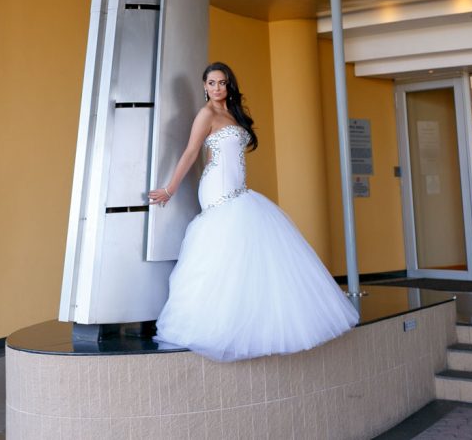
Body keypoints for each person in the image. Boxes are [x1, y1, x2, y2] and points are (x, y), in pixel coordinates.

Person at [147, 62, 359, 362]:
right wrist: (170, 189)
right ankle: (212, 322)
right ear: (204, 86)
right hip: (218, 191)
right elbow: (191, 152)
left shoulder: (232, 113)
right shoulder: (206, 114)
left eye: (222, 83)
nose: (217, 88)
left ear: (229, 85)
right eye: (211, 83)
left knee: (250, 249)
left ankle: (248, 316)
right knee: (224, 246)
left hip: (240, 190)